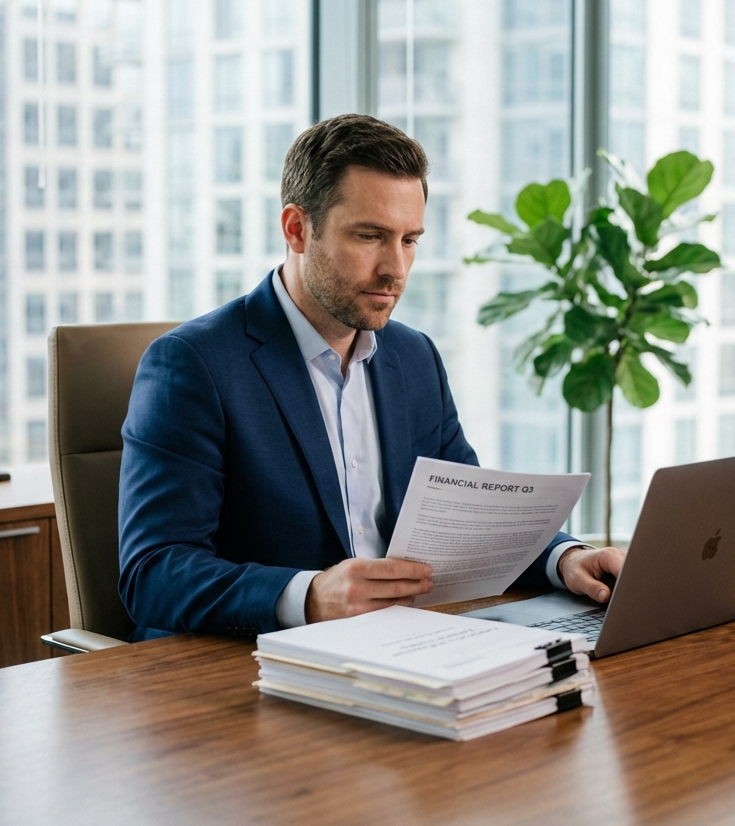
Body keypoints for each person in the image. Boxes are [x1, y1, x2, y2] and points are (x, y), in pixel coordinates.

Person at [118, 114, 625, 640]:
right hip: (246, 666)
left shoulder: (414, 356)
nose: (396, 269)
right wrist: (308, 595)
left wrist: (564, 558)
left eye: (409, 240)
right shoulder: (192, 364)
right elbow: (152, 573)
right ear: (296, 228)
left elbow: (473, 520)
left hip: (398, 648)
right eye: (370, 236)